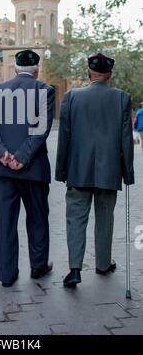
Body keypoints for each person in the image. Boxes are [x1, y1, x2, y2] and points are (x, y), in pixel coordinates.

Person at [55, 52, 134, 288]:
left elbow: (64, 138)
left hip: (78, 171)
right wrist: (127, 173)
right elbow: (126, 140)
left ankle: (75, 270)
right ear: (109, 74)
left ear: (89, 72)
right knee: (105, 219)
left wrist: (61, 171)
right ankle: (102, 264)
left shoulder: (71, 97)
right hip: (109, 171)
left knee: (75, 219)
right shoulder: (122, 98)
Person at [0, 49, 54, 287]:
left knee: (5, 222)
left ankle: (6, 275)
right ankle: (38, 267)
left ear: (15, 68)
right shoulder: (45, 91)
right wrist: (22, 157)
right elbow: (41, 129)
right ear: (37, 69)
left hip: (1, 170)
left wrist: (4, 155)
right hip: (32, 170)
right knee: (37, 219)